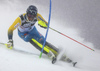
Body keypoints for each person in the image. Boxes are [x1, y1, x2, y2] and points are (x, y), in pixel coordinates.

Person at [7, 5, 76, 65]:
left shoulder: (38, 16)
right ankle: (49, 54)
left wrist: (44, 25)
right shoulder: (20, 19)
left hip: (33, 30)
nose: (31, 17)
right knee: (31, 39)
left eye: (33, 16)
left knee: (43, 41)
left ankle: (61, 54)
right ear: (27, 13)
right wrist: (10, 40)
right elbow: (10, 29)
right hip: (23, 33)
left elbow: (45, 23)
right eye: (29, 15)